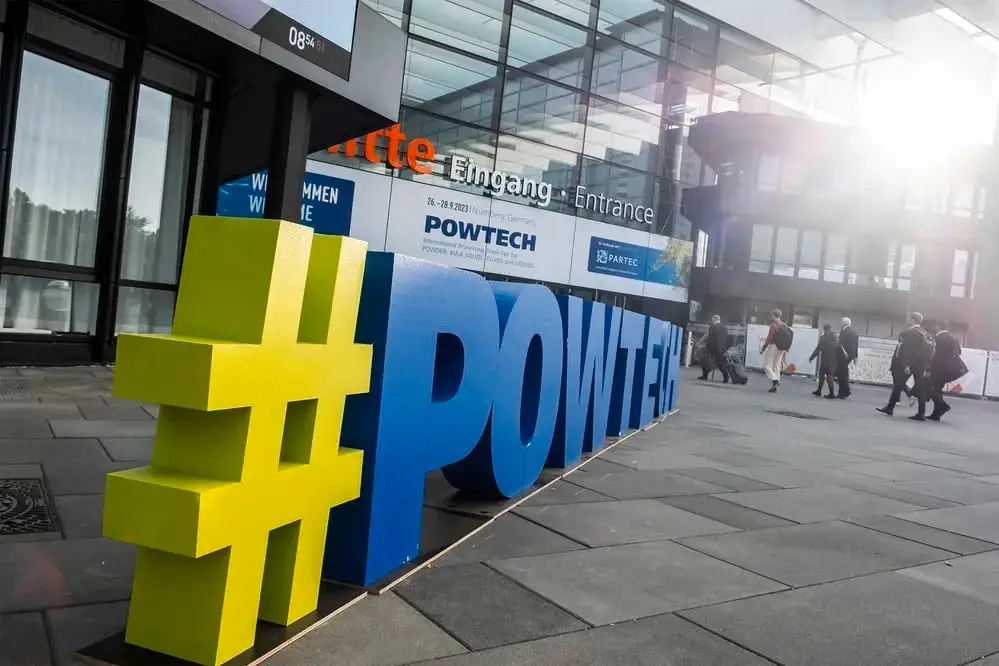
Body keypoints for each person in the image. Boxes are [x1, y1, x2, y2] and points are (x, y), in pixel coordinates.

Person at [877, 312, 934, 420]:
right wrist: (927, 366)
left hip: (912, 363)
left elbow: (908, 350)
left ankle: (890, 408)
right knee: (920, 387)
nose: (908, 320)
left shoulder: (911, 332)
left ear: (913, 320)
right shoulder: (925, 333)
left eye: (910, 319)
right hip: (921, 364)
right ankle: (921, 413)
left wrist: (906, 364)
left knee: (899, 384)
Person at [927, 321, 965, 421]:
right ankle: (936, 413)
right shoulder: (953, 338)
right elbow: (959, 352)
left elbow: (936, 354)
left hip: (938, 367)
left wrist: (929, 368)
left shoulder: (939, 338)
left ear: (938, 326)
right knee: (938, 389)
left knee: (928, 386)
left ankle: (942, 406)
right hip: (949, 369)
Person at [760, 309, 792, 393]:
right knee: (776, 366)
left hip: (774, 346)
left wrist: (763, 348)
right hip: (781, 348)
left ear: (773, 315)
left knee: (766, 365)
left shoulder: (774, 325)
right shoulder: (784, 325)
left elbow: (769, 338)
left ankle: (775, 381)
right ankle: (775, 387)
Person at [809, 323, 839, 398]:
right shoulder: (836, 338)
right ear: (831, 328)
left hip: (825, 359)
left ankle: (820, 391)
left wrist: (812, 357)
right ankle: (831, 393)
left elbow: (818, 349)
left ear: (824, 329)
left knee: (822, 374)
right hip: (834, 359)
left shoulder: (824, 338)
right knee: (829, 375)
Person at [698, 315, 731, 383]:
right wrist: (725, 348)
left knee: (705, 360)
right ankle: (726, 377)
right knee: (720, 363)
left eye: (712, 319)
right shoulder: (724, 328)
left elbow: (709, 337)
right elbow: (726, 339)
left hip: (712, 348)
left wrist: (703, 345)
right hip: (721, 348)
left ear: (715, 319)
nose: (712, 320)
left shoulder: (712, 327)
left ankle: (705, 376)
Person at [836, 317, 859, 399]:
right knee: (843, 372)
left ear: (843, 323)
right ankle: (845, 391)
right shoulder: (854, 333)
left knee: (841, 374)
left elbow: (840, 344)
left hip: (842, 355)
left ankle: (844, 392)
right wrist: (855, 356)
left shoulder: (843, 332)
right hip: (850, 356)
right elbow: (856, 346)